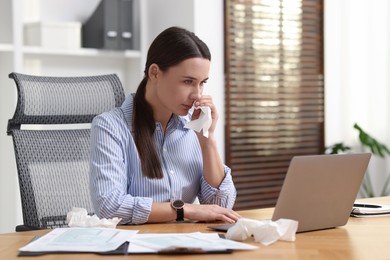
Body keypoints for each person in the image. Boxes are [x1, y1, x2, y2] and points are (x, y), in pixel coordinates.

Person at [89, 26, 239, 225]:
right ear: (154, 73)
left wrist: (207, 141)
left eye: (202, 82)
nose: (197, 94)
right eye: (188, 81)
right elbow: (109, 206)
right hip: (136, 249)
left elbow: (220, 207)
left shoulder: (192, 129)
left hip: (185, 246)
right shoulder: (111, 127)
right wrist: (185, 210)